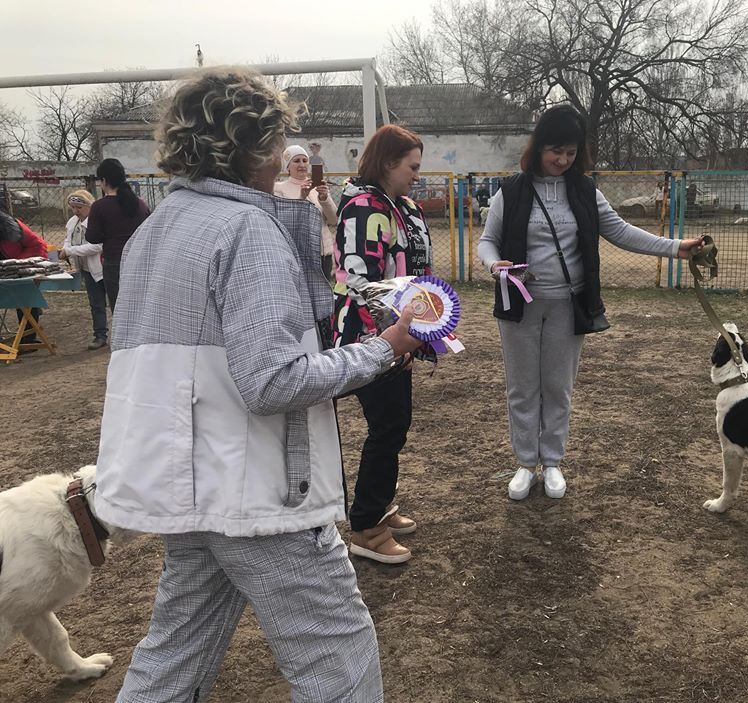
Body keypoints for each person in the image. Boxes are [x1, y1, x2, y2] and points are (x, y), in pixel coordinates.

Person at [92, 67, 423, 702]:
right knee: (338, 656)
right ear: (250, 146)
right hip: (261, 493)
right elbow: (272, 382)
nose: (282, 156)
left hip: (189, 484)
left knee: (174, 653)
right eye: (275, 141)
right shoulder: (245, 230)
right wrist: (382, 349)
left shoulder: (154, 231)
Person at [478, 104, 704, 501]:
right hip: (519, 306)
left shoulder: (585, 192)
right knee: (523, 389)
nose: (563, 160)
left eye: (571, 152)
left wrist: (675, 248)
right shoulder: (510, 191)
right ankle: (525, 464)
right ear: (539, 147)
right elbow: (487, 241)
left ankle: (552, 463)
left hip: (569, 306)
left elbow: (622, 232)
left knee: (558, 387)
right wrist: (493, 264)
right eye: (555, 151)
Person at [333, 123, 432, 565]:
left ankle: (379, 505)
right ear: (389, 163)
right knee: (388, 426)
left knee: (393, 424)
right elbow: (362, 281)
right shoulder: (363, 208)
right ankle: (367, 528)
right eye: (412, 166)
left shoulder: (401, 207)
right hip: (370, 336)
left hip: (397, 337)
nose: (417, 174)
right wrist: (392, 340)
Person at [84, 158, 150, 311]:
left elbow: (92, 237)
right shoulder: (140, 204)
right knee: (140, 305)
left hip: (114, 262)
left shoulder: (99, 207)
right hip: (140, 259)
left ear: (104, 180)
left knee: (119, 308)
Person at [273, 144, 337, 278]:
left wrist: (324, 199)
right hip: (299, 253)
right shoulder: (279, 189)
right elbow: (285, 222)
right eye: (296, 161)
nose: (302, 165)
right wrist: (301, 198)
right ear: (288, 167)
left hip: (323, 254)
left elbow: (334, 220)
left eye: (304, 160)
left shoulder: (317, 188)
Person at [59, 190, 108, 349]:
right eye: (73, 207)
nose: (76, 211)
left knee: (116, 301)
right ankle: (100, 335)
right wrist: (65, 249)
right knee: (96, 304)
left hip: (104, 266)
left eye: (79, 207)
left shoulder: (96, 221)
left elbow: (97, 246)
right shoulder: (72, 222)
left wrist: (71, 251)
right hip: (87, 269)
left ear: (89, 206)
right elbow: (68, 240)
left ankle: (124, 333)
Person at [0, 208, 48, 347]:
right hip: (10, 262)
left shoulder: (10, 228)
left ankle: (28, 339)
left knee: (25, 299)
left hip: (31, 257)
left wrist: (15, 265)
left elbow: (36, 246)